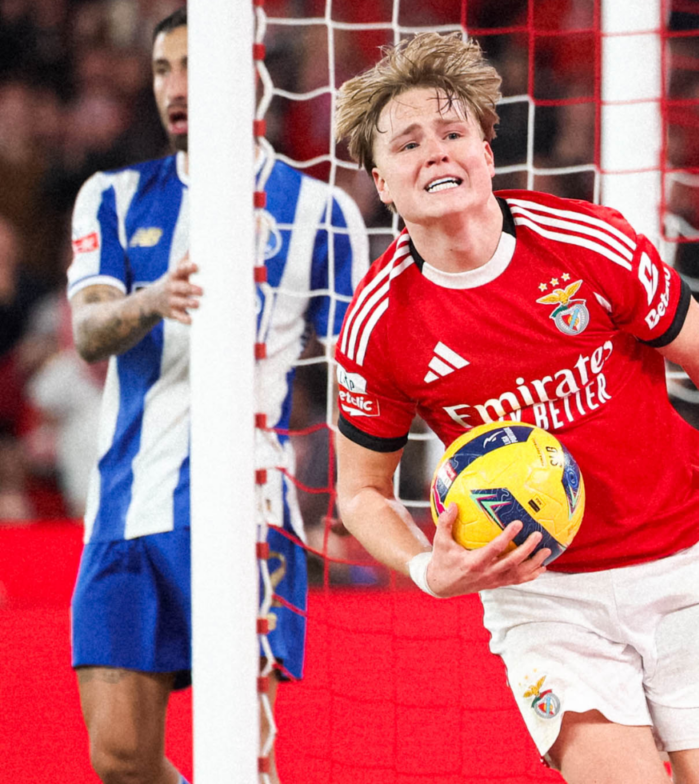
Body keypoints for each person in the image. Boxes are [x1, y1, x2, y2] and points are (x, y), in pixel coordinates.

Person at [330, 32, 699, 784]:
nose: (435, 152)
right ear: (382, 181)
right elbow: (360, 490)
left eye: (452, 132)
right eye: (407, 144)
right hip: (543, 601)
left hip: (678, 571)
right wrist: (425, 569)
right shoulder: (378, 324)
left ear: (486, 152)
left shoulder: (584, 243)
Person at [67, 9, 368, 784]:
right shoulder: (113, 196)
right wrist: (152, 300)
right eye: (163, 69)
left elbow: (361, 370)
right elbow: (90, 329)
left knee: (239, 747)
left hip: (249, 509)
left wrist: (366, 498)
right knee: (120, 760)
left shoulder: (319, 213)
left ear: (248, 72)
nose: (174, 86)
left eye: (192, 66)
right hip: (126, 506)